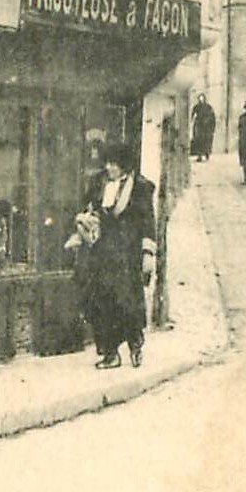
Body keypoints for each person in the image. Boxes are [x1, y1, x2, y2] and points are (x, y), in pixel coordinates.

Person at [80, 143, 156, 370]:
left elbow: (147, 222)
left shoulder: (139, 187)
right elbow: (89, 208)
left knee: (126, 302)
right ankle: (110, 353)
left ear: (124, 165)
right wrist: (87, 219)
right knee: (101, 302)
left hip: (126, 253)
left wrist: (147, 252)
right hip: (102, 251)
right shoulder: (98, 183)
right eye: (107, 163)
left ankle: (135, 344)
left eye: (114, 164)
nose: (109, 168)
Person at [190, 95, 217, 162]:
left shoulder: (208, 107)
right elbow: (192, 115)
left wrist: (212, 127)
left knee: (206, 141)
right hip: (199, 127)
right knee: (198, 141)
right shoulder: (196, 107)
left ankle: (206, 154)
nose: (201, 101)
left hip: (206, 128)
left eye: (202, 99)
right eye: (200, 99)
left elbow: (212, 117)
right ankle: (199, 156)